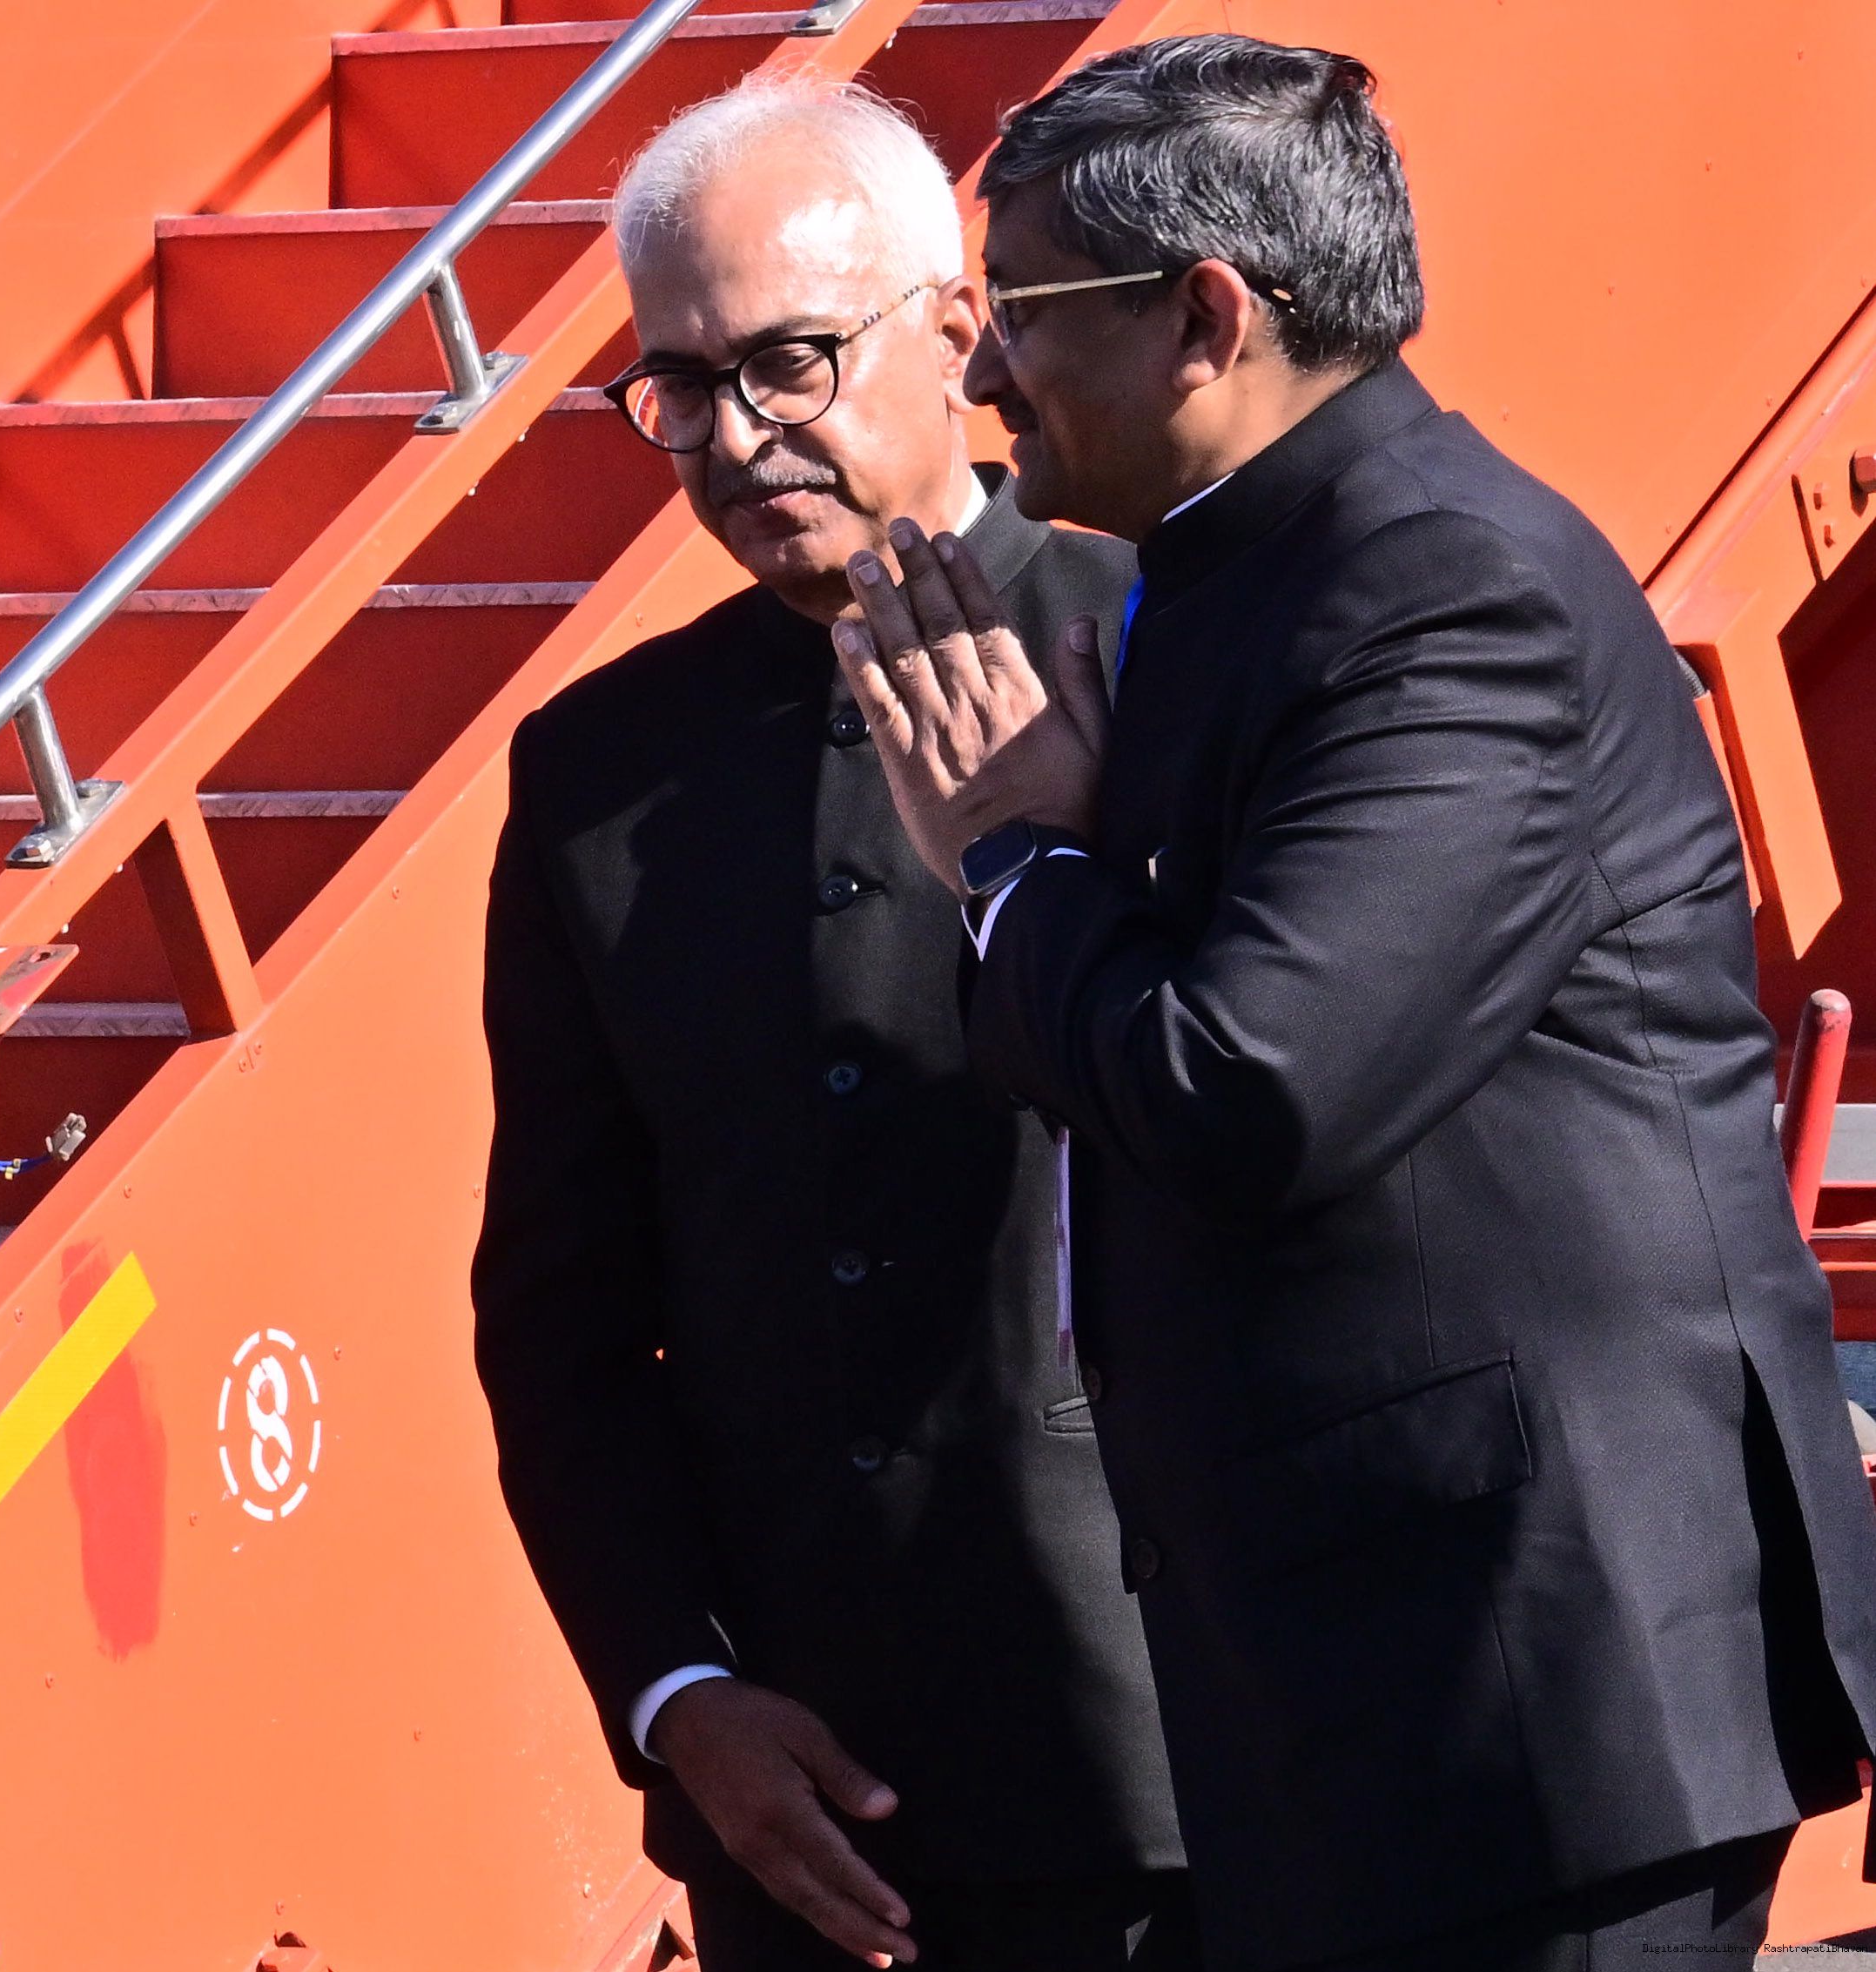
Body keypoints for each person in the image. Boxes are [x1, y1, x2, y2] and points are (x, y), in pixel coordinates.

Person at [833, 33, 1876, 1972]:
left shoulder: (1441, 588)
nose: (982, 376)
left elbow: (1245, 1086)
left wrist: (1012, 859)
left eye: (1023, 312)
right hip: (1388, 1694)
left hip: (1532, 1692)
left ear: (1204, 316)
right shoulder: (1250, 573)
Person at [474, 78, 1182, 1972]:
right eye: (678, 386)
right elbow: (558, 1313)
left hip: (1196, 1753)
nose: (733, 436)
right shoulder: (598, 771)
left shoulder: (1169, 642)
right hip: (806, 1802)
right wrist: (675, 1690)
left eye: (788, 360)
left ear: (955, 332)